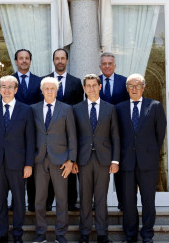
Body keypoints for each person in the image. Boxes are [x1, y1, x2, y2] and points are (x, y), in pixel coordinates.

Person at [116, 74, 166, 243]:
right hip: (127, 162)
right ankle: (130, 235)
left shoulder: (155, 106)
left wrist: (150, 152)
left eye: (138, 85)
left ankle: (147, 235)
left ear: (143, 87)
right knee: (128, 202)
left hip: (147, 162)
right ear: (127, 88)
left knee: (148, 200)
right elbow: (117, 136)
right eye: (131, 85)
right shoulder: (120, 108)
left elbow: (160, 135)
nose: (134, 88)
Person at [0, 75, 35, 243]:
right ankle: (1, 234)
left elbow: (30, 139)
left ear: (16, 89)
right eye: (3, 86)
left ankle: (17, 235)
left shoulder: (26, 109)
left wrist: (29, 164)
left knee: (19, 201)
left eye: (10, 87)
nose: (6, 90)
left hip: (18, 164)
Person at [72, 74, 120, 243]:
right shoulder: (76, 109)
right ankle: (84, 233)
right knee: (85, 197)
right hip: (83, 159)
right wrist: (73, 160)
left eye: (94, 85)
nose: (91, 88)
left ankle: (102, 233)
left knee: (101, 197)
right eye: (88, 85)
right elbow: (73, 137)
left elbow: (115, 136)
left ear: (100, 87)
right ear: (84, 88)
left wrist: (115, 160)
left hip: (103, 159)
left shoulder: (110, 108)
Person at [31, 77, 77, 243]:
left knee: (62, 198)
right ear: (42, 91)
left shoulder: (66, 109)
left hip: (61, 161)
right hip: (39, 159)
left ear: (57, 91)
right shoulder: (33, 109)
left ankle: (60, 234)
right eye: (46, 89)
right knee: (39, 199)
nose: (49, 91)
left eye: (52, 89)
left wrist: (71, 160)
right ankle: (40, 233)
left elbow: (72, 136)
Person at [45, 48, 83, 212]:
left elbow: (80, 106)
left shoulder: (76, 82)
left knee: (69, 164)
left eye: (62, 58)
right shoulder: (45, 81)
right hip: (50, 131)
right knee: (49, 167)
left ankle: (71, 201)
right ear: (53, 61)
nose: (60, 61)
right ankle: (47, 201)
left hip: (68, 130)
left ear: (67, 61)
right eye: (57, 58)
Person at [11, 49, 42, 212]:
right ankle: (15, 203)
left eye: (27, 58)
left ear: (30, 61)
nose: (24, 61)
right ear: (16, 61)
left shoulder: (39, 81)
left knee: (32, 167)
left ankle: (32, 203)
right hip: (13, 132)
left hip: (33, 129)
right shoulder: (9, 81)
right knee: (14, 168)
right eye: (21, 58)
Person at [98, 52, 129, 211]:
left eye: (110, 63)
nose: (107, 66)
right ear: (100, 66)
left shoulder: (124, 82)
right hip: (100, 135)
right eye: (104, 63)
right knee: (99, 173)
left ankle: (123, 204)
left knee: (120, 172)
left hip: (120, 133)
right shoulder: (94, 83)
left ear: (115, 65)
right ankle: (98, 205)